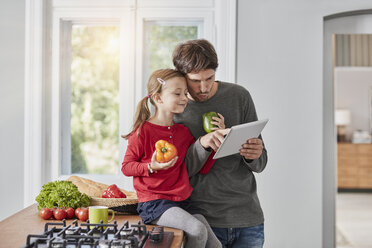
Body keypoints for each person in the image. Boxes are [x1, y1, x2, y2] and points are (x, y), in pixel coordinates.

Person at [173, 39, 268, 248]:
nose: (204, 87)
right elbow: (173, 172)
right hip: (201, 221)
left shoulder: (239, 96)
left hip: (247, 219)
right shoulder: (173, 108)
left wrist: (254, 155)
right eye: (196, 81)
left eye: (210, 78)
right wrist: (202, 145)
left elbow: (261, 164)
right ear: (181, 76)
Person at [121, 69, 223, 248]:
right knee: (198, 230)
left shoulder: (183, 133)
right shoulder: (142, 131)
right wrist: (150, 167)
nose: (184, 98)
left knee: (215, 245)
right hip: (154, 202)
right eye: (177, 93)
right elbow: (127, 167)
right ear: (158, 98)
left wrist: (217, 140)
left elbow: (202, 168)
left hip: (182, 200)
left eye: (185, 93)